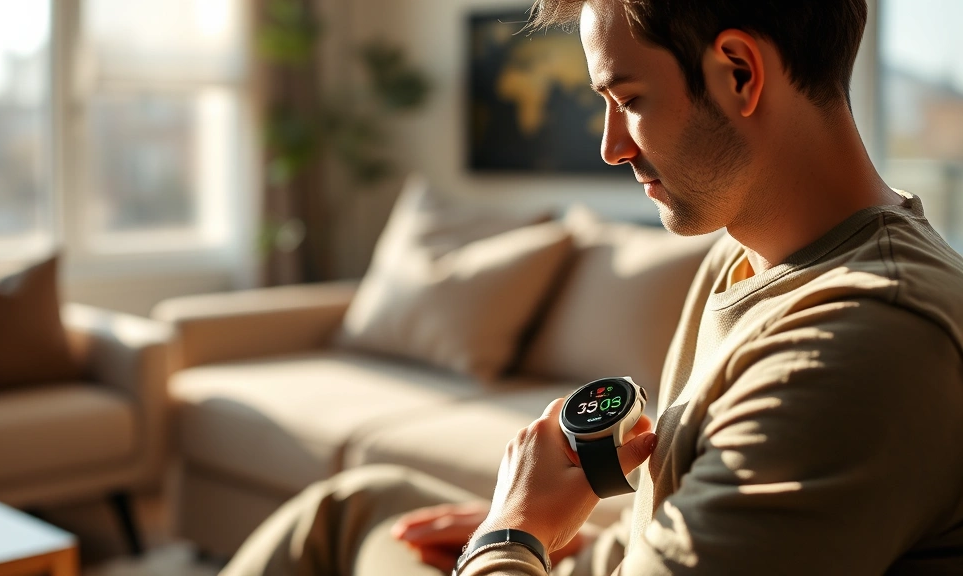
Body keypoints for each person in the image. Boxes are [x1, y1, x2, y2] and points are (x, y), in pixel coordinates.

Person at [220, 0, 963, 574]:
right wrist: (560, 540)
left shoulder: (859, 346)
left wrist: (513, 534)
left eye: (630, 99)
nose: (611, 147)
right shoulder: (743, 251)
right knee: (356, 508)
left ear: (739, 72)